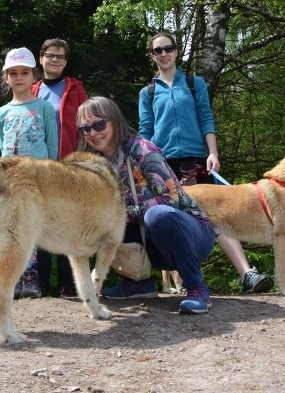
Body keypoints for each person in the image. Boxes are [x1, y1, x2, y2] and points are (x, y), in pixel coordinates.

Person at [139, 31, 273, 294]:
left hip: (196, 161)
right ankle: (181, 282)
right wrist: (143, 164)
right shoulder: (148, 92)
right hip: (162, 166)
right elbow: (145, 131)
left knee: (216, 217)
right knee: (168, 220)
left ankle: (247, 274)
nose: (164, 54)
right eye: (158, 50)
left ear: (177, 51)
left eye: (169, 48)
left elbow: (205, 118)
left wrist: (213, 153)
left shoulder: (193, 84)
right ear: (153, 56)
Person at [78, 96, 215, 314]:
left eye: (99, 124)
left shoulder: (141, 149)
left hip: (190, 234)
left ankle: (196, 287)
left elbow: (173, 199)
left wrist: (120, 214)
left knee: (157, 215)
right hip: (149, 243)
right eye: (85, 129)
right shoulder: (93, 165)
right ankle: (137, 283)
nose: (93, 133)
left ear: (114, 121)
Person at [0, 47, 58, 299]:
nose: (19, 77)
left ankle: (32, 277)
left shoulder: (44, 108)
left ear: (34, 76)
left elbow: (52, 144)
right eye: (13, 73)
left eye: (24, 72)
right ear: (6, 77)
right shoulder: (2, 112)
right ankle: (16, 277)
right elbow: (2, 147)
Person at [31, 37, 88, 297]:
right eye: (50, 55)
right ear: (41, 58)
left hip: (68, 166)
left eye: (61, 57)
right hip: (39, 168)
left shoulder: (76, 89)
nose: (55, 60)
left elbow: (87, 125)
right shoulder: (31, 90)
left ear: (66, 62)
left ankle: (68, 283)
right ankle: (40, 282)